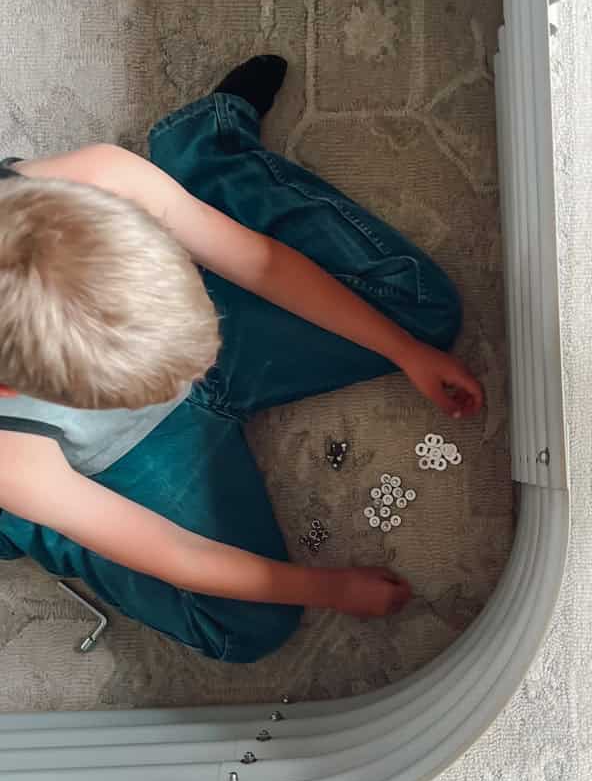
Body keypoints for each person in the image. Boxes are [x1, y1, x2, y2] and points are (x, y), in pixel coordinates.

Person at [0, 55, 483, 663]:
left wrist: (403, 350)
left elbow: (257, 264)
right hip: (116, 450)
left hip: (128, 314)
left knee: (417, 311)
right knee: (248, 626)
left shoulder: (104, 174)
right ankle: (26, 523)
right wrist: (325, 588)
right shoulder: (11, 458)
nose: (191, 376)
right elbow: (178, 556)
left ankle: (204, 150)